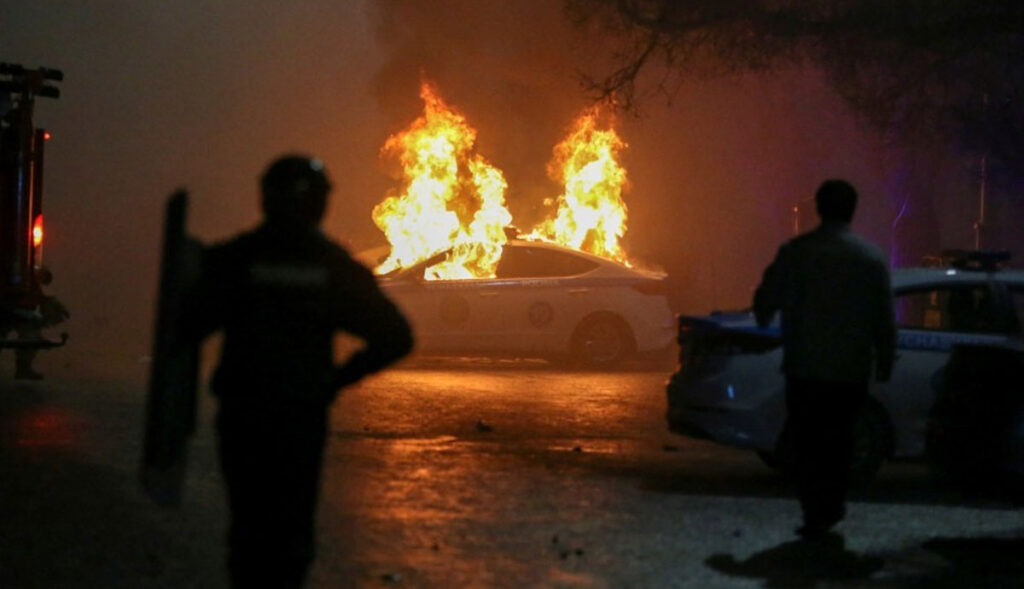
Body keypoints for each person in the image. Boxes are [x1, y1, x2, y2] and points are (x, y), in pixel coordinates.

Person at [186, 154, 413, 588]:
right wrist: (335, 380)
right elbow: (396, 336)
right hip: (300, 417)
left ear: (264, 199)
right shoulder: (331, 267)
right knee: (291, 531)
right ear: (319, 204)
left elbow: (188, 325)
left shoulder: (236, 259)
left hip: (242, 415)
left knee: (248, 529)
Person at [753, 179, 896, 539]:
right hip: (849, 371)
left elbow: (765, 300)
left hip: (805, 368)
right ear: (852, 210)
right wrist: (885, 358)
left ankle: (814, 507)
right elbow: (883, 316)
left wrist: (768, 314)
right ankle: (831, 505)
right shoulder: (870, 258)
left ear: (818, 208)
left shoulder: (797, 252)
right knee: (839, 439)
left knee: (808, 438)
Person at [0, 267, 69, 380]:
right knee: (29, 336)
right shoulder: (28, 273)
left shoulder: (30, 276)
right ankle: (23, 369)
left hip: (19, 310)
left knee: (30, 337)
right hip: (13, 309)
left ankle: (23, 369)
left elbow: (42, 297)